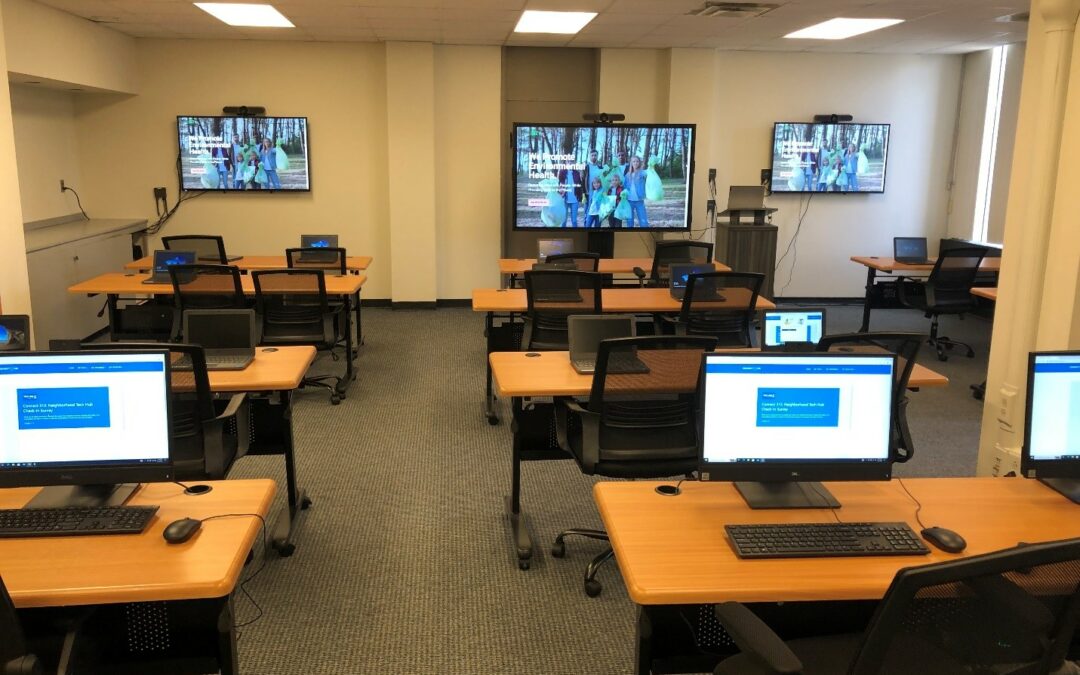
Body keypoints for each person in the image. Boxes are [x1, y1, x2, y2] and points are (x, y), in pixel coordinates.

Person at [624, 155, 649, 228]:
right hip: (629, 201)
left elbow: (650, 176)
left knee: (643, 221)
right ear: (631, 163)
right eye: (633, 161)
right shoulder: (627, 175)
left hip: (639, 200)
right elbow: (625, 187)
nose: (635, 163)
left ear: (639, 163)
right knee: (629, 221)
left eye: (637, 161)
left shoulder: (643, 173)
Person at [585, 150, 604, 216]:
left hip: (598, 193)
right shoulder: (586, 167)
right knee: (587, 211)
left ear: (597, 156)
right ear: (590, 156)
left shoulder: (600, 167)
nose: (594, 157)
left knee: (598, 211)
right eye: (592, 155)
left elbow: (603, 180)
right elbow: (582, 180)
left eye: (595, 155)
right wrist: (584, 192)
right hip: (589, 193)